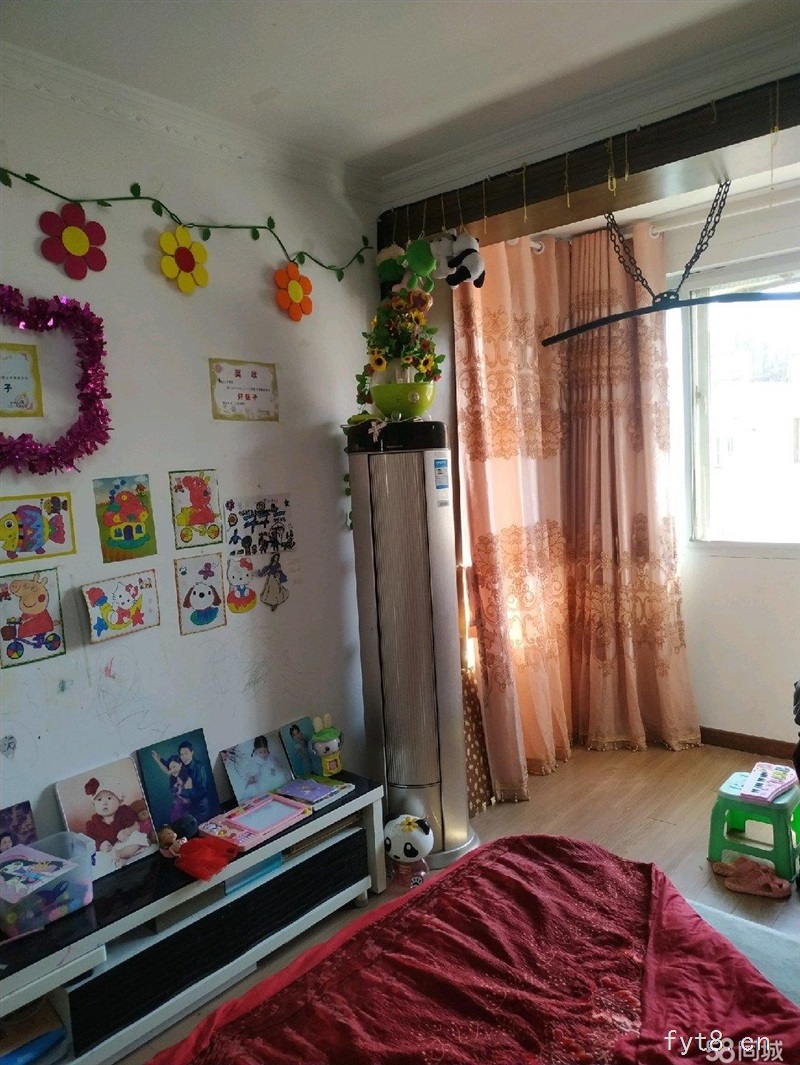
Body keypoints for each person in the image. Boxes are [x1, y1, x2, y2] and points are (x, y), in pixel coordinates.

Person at [82, 776, 151, 869]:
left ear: (119, 801)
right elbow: (92, 841)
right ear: (94, 805)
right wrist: (101, 845)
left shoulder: (125, 811)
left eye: (109, 798)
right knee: (98, 857)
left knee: (138, 837)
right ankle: (118, 861)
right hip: (110, 850)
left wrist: (127, 831)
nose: (104, 803)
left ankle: (121, 855)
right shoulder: (93, 824)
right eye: (99, 800)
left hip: (126, 843)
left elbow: (137, 825)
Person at [241, 735, 288, 799]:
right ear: (255, 750)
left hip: (271, 779)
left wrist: (274, 773)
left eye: (265, 752)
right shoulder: (253, 761)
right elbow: (250, 774)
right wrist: (252, 778)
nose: (263, 755)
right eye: (260, 752)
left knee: (282, 777)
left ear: (267, 749)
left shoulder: (271, 757)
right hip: (260, 782)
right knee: (253, 788)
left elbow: (277, 769)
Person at [150, 749, 191, 822]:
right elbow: (166, 769)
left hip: (187, 810)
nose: (172, 770)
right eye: (170, 768)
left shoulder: (187, 778)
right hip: (177, 808)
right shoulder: (174, 778)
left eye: (174, 767)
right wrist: (157, 759)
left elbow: (190, 798)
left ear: (180, 764)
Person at [178, 740, 213, 821]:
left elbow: (202, 788)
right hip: (188, 806)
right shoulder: (181, 767)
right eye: (182, 754)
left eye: (186, 753)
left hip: (200, 804)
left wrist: (186, 791)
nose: (184, 757)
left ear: (192, 752)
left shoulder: (199, 766)